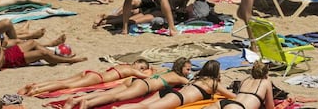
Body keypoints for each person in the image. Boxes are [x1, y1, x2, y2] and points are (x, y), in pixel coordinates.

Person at [62, 57, 192, 109]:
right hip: (142, 86)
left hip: (134, 81)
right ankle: (88, 104)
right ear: (181, 68)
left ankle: (76, 100)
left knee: (108, 92)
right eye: (188, 69)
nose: (189, 71)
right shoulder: (179, 77)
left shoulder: (168, 71)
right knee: (114, 97)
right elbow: (192, 83)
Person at [119, 60, 235, 109]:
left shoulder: (197, 78)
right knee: (147, 108)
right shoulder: (213, 82)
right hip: (177, 98)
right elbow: (232, 96)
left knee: (142, 105)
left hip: (170, 92)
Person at [18, 59, 151, 96]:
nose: (141, 70)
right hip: (97, 78)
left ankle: (36, 85)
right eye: (141, 67)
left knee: (62, 81)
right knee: (66, 86)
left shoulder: (124, 65)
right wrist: (150, 70)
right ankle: (36, 90)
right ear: (138, 65)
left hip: (91, 73)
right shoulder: (131, 70)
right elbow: (145, 76)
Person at [202, 60, 274, 109]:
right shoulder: (266, 82)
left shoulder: (245, 80)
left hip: (225, 103)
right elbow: (270, 107)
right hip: (238, 107)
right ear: (266, 74)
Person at [0, 39, 87, 72]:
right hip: (8, 59)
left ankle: (54, 56)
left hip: (7, 53)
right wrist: (2, 48)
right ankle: (68, 61)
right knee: (42, 54)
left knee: (32, 42)